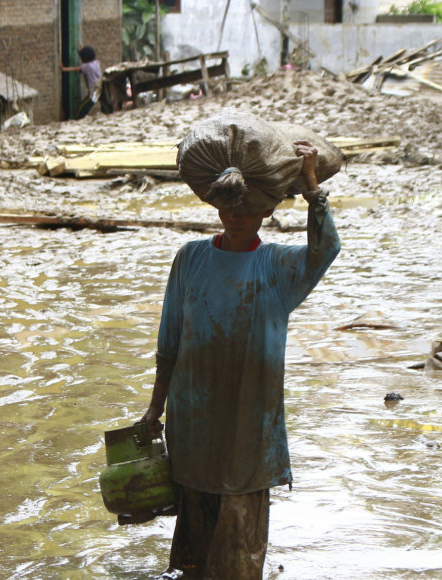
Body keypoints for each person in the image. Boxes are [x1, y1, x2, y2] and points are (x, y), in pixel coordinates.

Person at [139, 141, 340, 579]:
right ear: (217, 206)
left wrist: (311, 189)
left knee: (239, 551)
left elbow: (325, 250)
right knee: (192, 551)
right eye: (230, 207)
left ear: (266, 212)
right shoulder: (190, 259)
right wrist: (156, 406)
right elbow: (168, 340)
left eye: (248, 210)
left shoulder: (278, 267)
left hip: (250, 428)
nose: (236, 217)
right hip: (193, 421)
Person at [60, 45, 102, 119]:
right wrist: (81, 50)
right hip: (100, 88)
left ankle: (78, 119)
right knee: (101, 104)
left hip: (94, 91)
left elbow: (76, 69)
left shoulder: (87, 66)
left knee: (82, 108)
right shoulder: (97, 63)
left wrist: (63, 69)